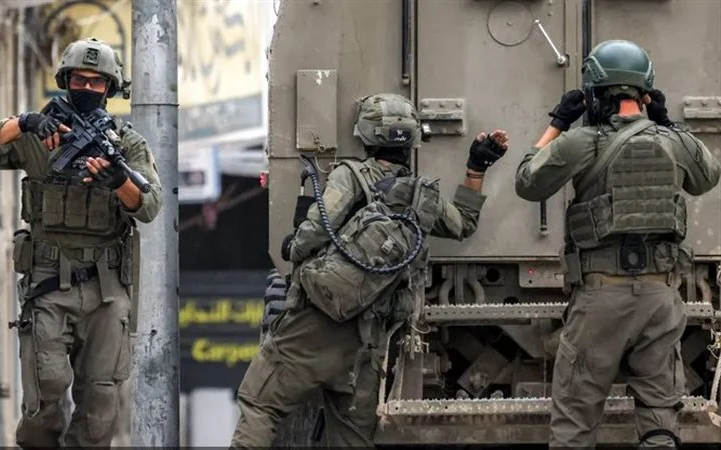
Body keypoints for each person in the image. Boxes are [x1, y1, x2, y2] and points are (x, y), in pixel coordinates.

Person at [230, 92, 508, 448]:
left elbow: (317, 229)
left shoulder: (349, 175)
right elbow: (464, 223)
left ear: (365, 135)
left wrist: (292, 247)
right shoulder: (423, 197)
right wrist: (476, 168)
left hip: (314, 327)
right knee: (352, 440)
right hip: (366, 343)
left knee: (259, 404)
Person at [514, 39, 721, 448]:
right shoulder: (672, 141)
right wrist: (670, 123)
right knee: (660, 419)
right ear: (646, 93)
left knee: (575, 423)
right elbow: (707, 176)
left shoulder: (581, 141)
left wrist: (558, 123)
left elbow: (527, 182)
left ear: (594, 93)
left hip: (600, 297)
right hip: (660, 297)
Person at [0, 37, 163, 448]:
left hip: (107, 288)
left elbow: (149, 205)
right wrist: (24, 123)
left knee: (101, 403)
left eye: (96, 82)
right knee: (45, 391)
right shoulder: (41, 135)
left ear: (110, 88)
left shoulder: (126, 144)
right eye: (79, 80)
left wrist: (118, 180)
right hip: (49, 281)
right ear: (65, 81)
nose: (87, 88)